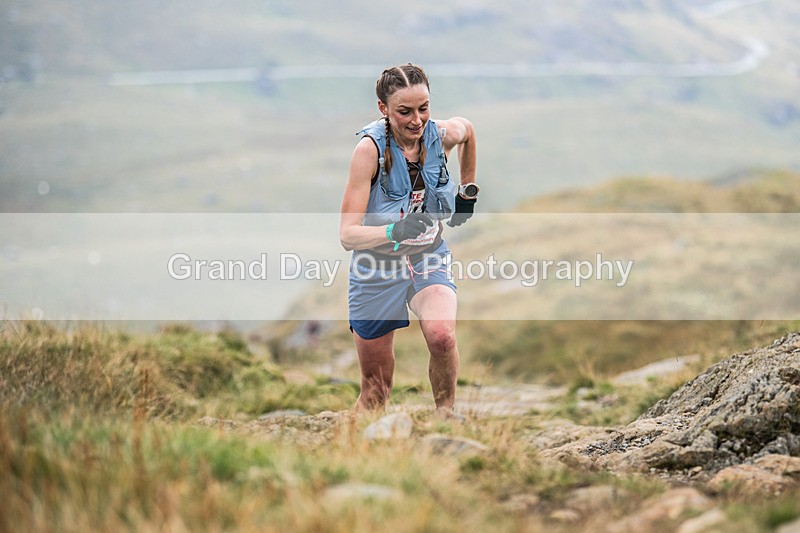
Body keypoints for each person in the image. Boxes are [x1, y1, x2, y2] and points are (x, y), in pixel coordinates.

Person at [339, 63, 479, 414]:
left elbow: (468, 130)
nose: (417, 121)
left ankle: (445, 419)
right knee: (376, 391)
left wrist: (467, 191)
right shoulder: (369, 151)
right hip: (376, 267)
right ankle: (349, 443)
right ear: (383, 108)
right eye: (405, 112)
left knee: (442, 337)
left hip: (427, 256)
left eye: (423, 108)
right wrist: (394, 231)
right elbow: (348, 235)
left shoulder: (440, 134)